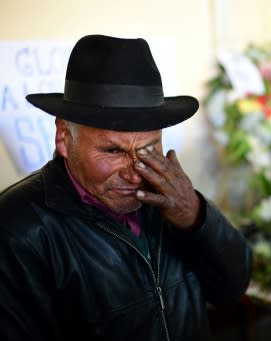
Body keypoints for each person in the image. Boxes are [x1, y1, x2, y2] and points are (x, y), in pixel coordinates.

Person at [0, 34, 252, 341]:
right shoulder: (17, 229)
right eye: (113, 151)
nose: (135, 175)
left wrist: (195, 215)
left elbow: (232, 287)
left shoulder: (170, 196)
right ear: (64, 137)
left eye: (148, 149)